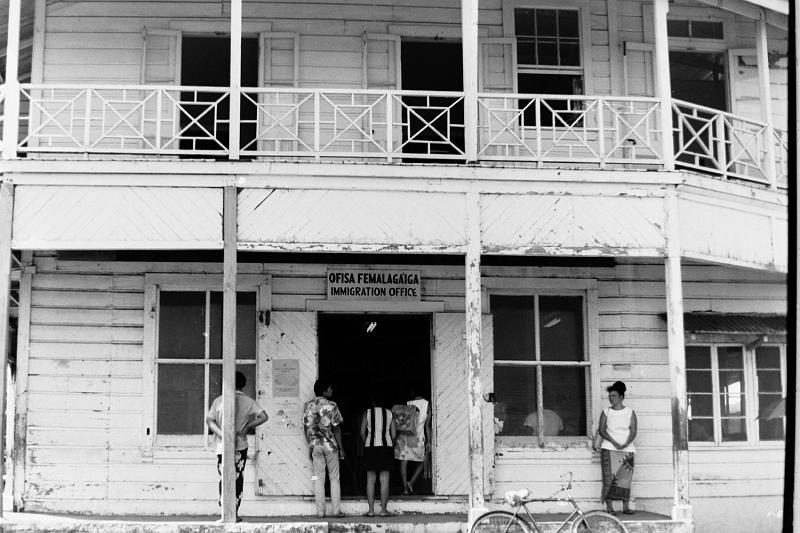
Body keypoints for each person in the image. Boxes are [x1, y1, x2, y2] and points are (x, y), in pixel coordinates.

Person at [206, 371, 268, 522]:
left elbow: (209, 421)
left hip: (222, 446)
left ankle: (224, 513)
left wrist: (223, 435)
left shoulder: (219, 401)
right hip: (240, 446)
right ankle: (234, 513)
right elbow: (264, 417)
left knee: (224, 477)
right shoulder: (249, 402)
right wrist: (248, 427)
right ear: (243, 384)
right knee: (237, 477)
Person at [303, 379, 345, 518]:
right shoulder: (332, 405)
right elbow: (337, 428)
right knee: (334, 478)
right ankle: (336, 511)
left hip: (315, 444)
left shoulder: (308, 405)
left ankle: (320, 512)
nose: (332, 390)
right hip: (330, 445)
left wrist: (310, 444)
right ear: (324, 391)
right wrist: (341, 447)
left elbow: (306, 427)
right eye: (330, 388)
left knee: (318, 479)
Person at [598, 381, 637, 515]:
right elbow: (602, 430)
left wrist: (626, 443)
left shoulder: (630, 412)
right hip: (609, 448)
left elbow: (633, 431)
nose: (611, 398)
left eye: (614, 396)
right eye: (610, 396)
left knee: (625, 478)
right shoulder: (606, 412)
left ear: (621, 397)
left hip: (627, 449)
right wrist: (614, 442)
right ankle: (610, 507)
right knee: (609, 478)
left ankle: (625, 506)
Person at [360, 391, 396, 517]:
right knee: (384, 480)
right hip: (386, 447)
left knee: (370, 480)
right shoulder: (389, 413)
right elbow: (394, 434)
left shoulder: (367, 413)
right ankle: (383, 511)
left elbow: (362, 433)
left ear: (372, 401)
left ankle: (370, 511)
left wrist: (368, 443)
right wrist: (390, 443)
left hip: (371, 447)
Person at [395, 387, 431, 495]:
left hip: (405, 436)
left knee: (403, 463)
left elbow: (400, 422)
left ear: (412, 392)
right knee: (422, 461)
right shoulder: (427, 405)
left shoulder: (408, 403)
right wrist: (428, 440)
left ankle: (405, 489)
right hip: (418, 437)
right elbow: (427, 426)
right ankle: (411, 482)